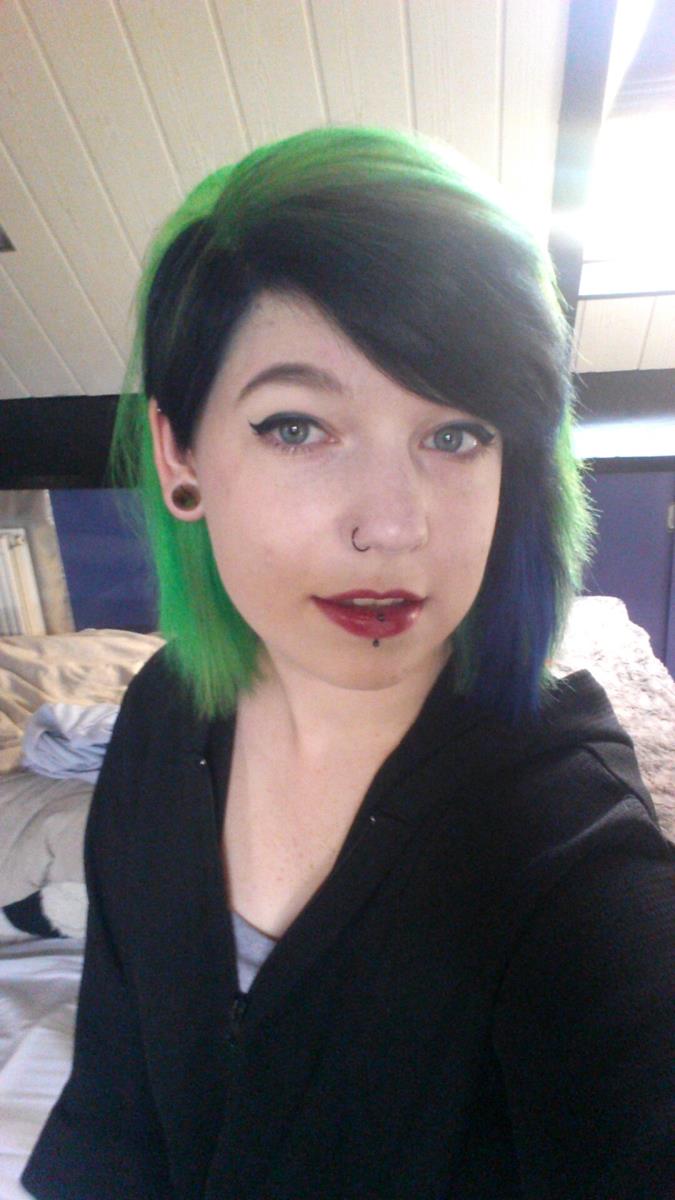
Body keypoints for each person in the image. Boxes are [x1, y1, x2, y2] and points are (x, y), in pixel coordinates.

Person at [23, 127, 674, 1200]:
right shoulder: (159, 719)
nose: (393, 526)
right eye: (298, 427)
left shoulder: (560, 838)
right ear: (181, 456)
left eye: (455, 436)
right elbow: (110, 1122)